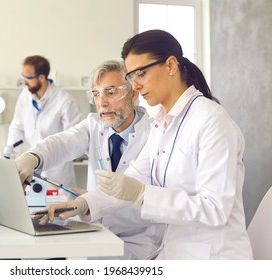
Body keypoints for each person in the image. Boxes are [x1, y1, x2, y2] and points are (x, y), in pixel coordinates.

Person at [93, 30, 253, 259]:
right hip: (177, 252)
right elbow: (132, 178)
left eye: (141, 74)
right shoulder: (162, 123)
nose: (135, 87)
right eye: (131, 77)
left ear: (170, 65)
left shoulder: (212, 121)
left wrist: (143, 195)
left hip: (214, 258)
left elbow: (215, 208)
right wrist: (81, 205)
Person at [15, 60, 162, 259]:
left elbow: (137, 192)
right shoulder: (94, 125)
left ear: (133, 93)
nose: (102, 102)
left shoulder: (155, 134)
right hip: (97, 235)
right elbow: (62, 143)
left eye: (111, 92)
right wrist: (31, 157)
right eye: (96, 94)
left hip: (139, 242)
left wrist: (85, 202)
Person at [6, 55, 82, 187]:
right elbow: (17, 126)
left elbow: (74, 138)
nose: (24, 82)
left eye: (28, 78)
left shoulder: (65, 101)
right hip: (31, 166)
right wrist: (10, 150)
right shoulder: (25, 95)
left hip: (56, 172)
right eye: (23, 76)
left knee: (58, 206)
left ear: (42, 77)